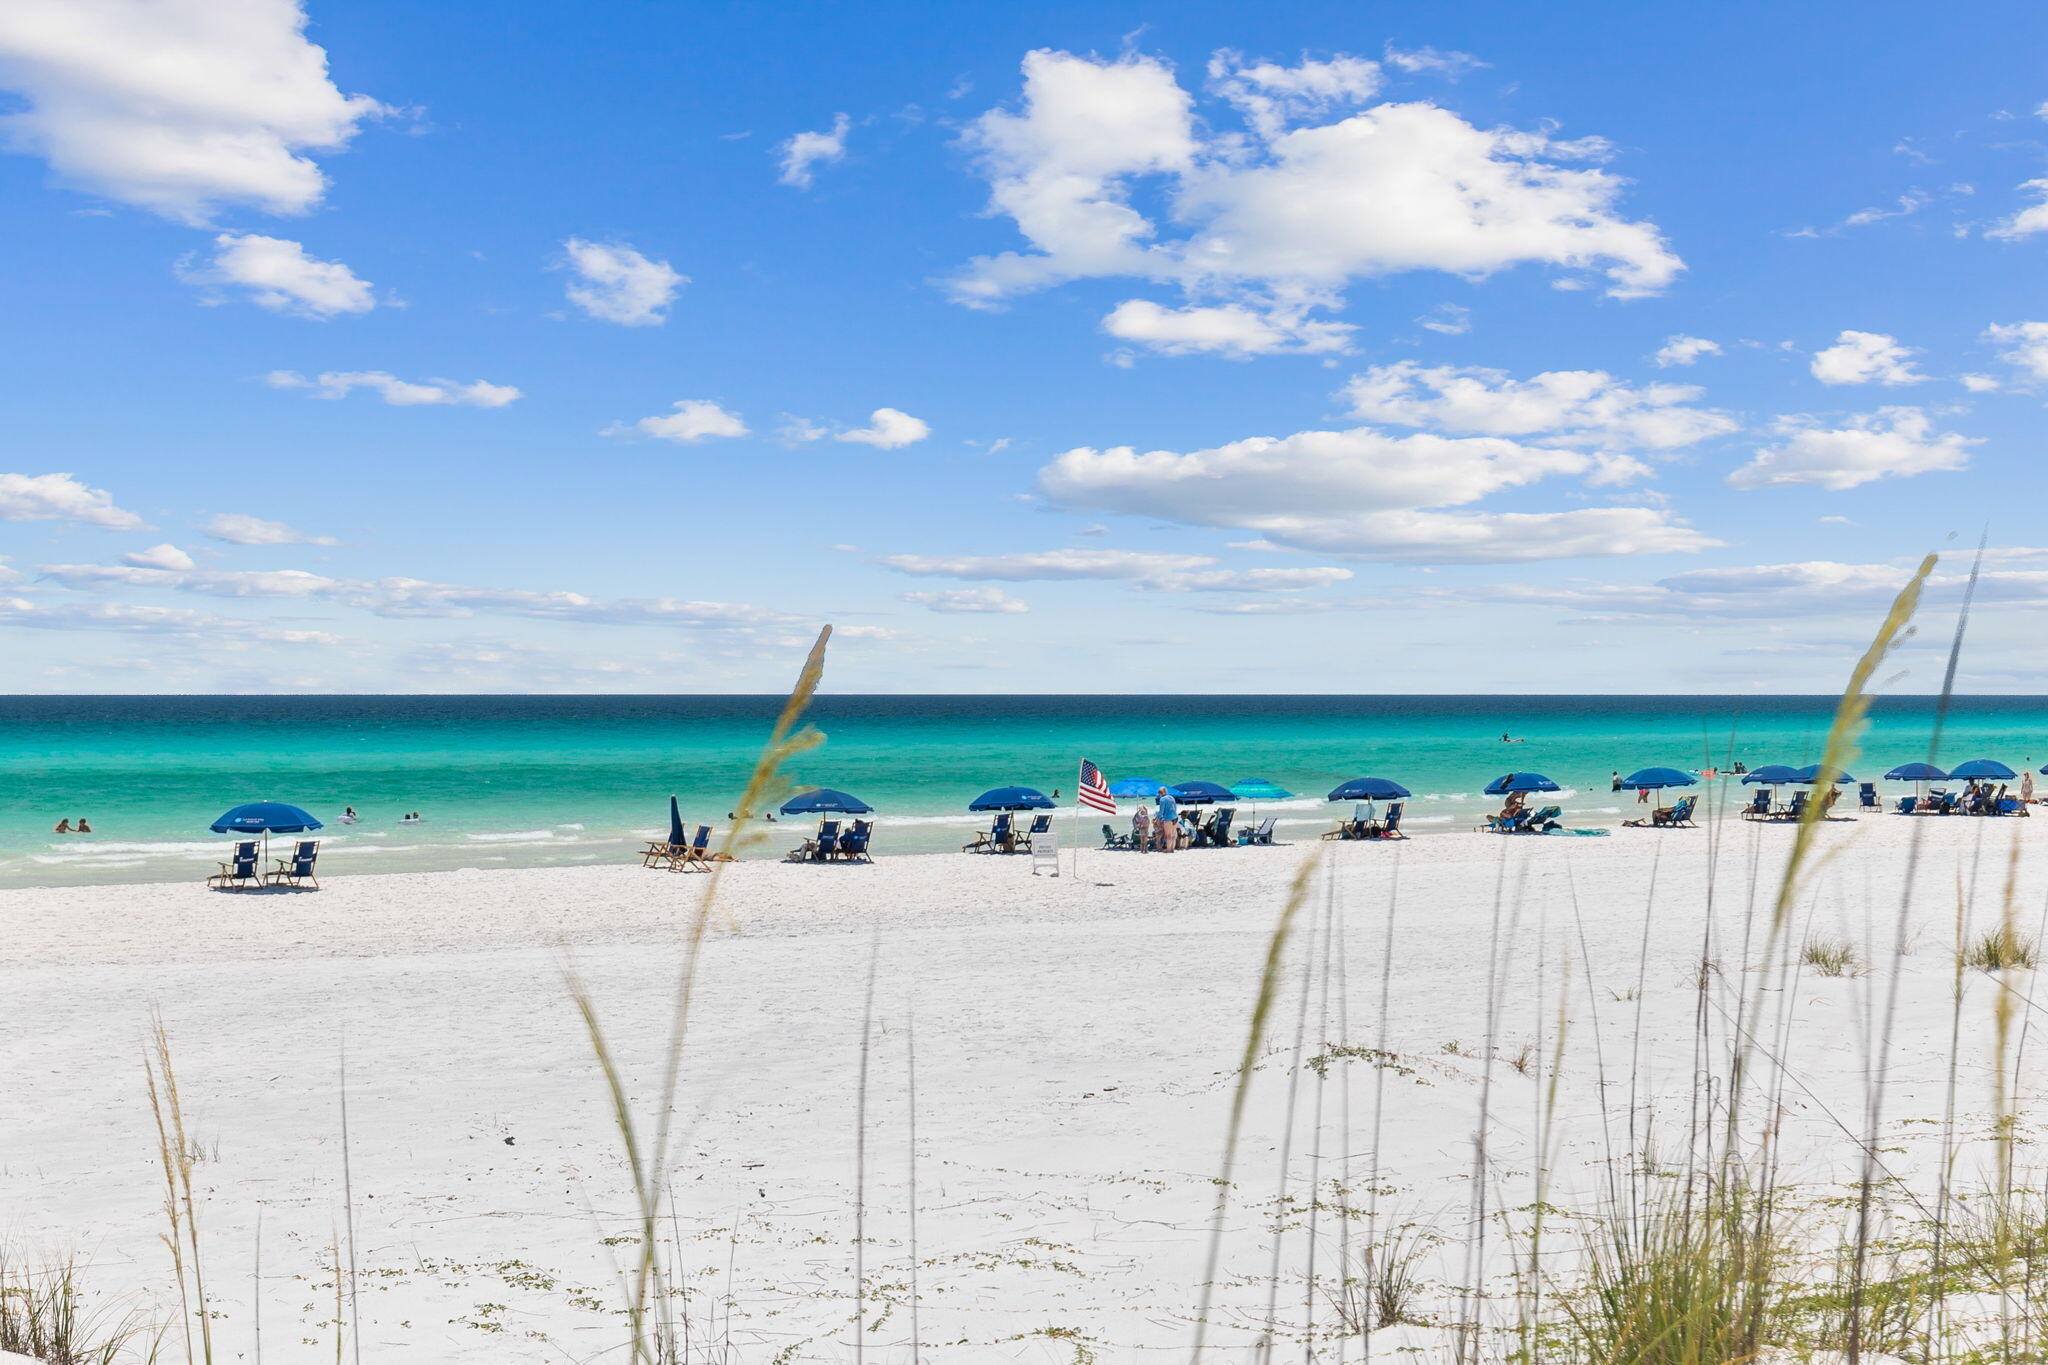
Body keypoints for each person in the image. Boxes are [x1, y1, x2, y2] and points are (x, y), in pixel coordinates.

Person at [1155, 786, 1179, 852]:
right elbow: (1175, 808)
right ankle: (1172, 849)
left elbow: (1161, 811)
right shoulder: (1172, 797)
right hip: (1175, 817)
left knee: (1168, 835)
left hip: (1168, 818)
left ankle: (1168, 850)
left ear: (1160, 793)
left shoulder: (1162, 799)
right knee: (1173, 835)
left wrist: (1158, 818)